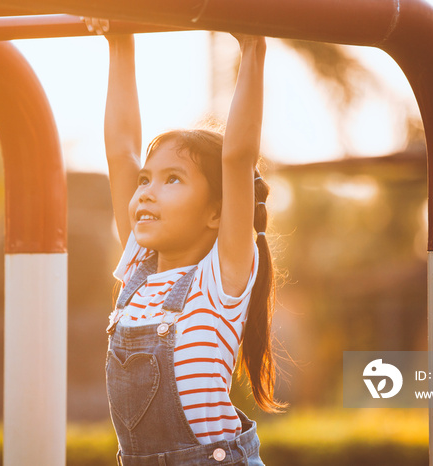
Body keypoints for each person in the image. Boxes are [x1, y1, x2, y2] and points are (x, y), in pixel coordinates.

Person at [86, 17, 284, 465]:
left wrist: (253, 46)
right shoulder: (138, 262)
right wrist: (119, 39)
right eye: (145, 180)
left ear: (217, 212)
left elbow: (236, 156)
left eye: (172, 179)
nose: (147, 192)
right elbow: (120, 149)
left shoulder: (220, 278)